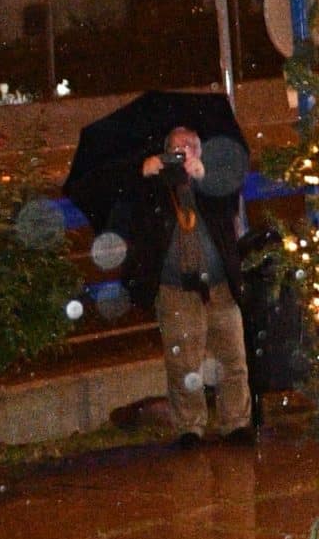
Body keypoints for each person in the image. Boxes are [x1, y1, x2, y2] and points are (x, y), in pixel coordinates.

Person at [108, 124, 253, 447]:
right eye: (177, 148)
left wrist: (201, 173)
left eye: (191, 146)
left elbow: (231, 192)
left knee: (233, 358)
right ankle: (189, 427)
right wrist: (143, 172)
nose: (184, 152)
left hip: (219, 285)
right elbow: (120, 198)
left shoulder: (214, 181)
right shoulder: (154, 189)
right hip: (176, 288)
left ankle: (237, 423)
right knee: (183, 364)